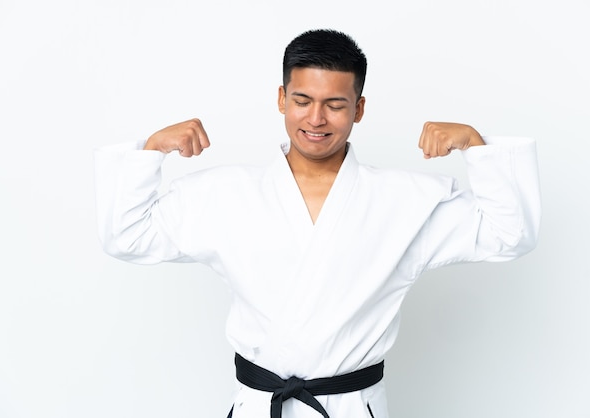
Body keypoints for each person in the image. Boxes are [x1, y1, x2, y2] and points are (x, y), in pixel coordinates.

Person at [94, 29, 541, 418]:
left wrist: (476, 147)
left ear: (359, 108)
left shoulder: (406, 202)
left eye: (335, 105)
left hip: (349, 406)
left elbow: (509, 235)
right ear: (281, 98)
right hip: (258, 403)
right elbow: (126, 237)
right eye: (303, 101)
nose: (316, 119)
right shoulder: (224, 195)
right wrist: (151, 151)